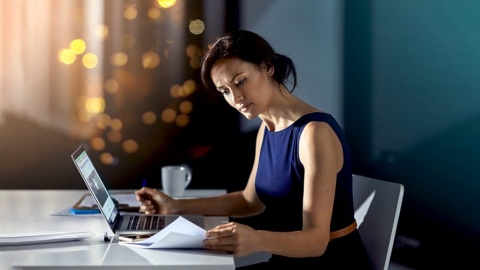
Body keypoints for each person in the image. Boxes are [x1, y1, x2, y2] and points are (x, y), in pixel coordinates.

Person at [135, 29, 372, 269]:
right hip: (289, 260)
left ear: (267, 67)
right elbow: (250, 201)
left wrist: (257, 239)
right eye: (225, 91)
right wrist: (175, 206)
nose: (236, 98)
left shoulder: (314, 132)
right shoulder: (267, 127)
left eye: (240, 82)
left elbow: (317, 241)